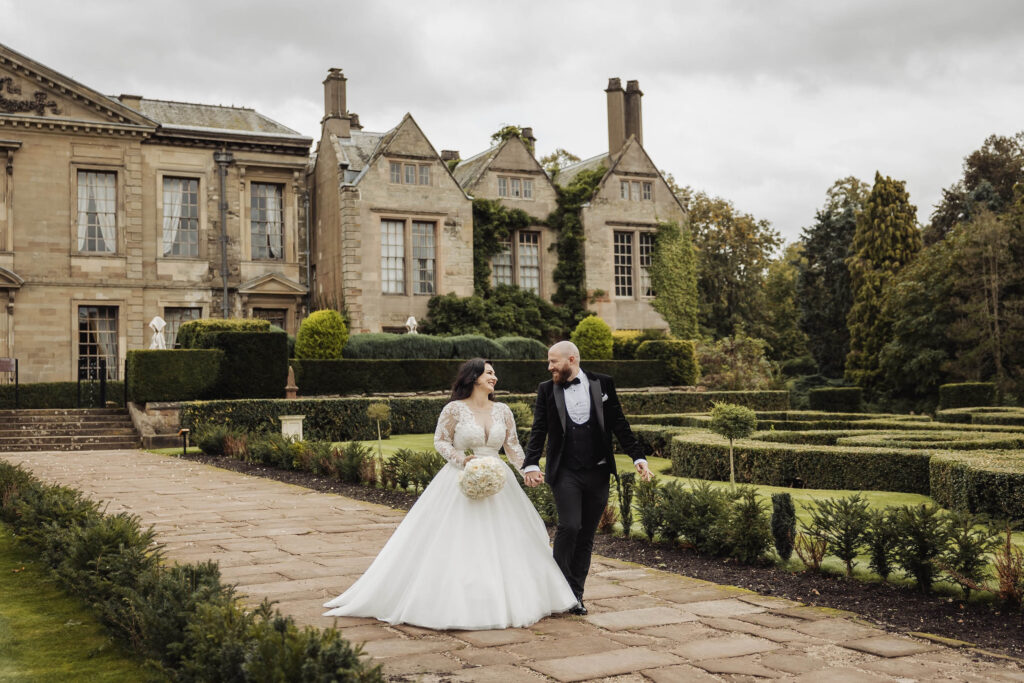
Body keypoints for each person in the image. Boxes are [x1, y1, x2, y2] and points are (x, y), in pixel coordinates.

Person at [323, 358, 577, 630]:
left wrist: (527, 469)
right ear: (474, 377)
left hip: (499, 483)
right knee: (456, 540)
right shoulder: (454, 409)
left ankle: (509, 598)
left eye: (494, 374)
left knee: (507, 541)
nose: (495, 378)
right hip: (460, 479)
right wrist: (461, 460)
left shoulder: (503, 410)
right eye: (489, 373)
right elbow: (440, 440)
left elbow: (512, 446)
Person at [523, 341, 651, 615]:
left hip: (598, 471)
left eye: (553, 362)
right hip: (565, 471)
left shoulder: (603, 383)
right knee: (570, 526)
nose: (550, 367)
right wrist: (531, 462)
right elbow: (539, 429)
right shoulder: (547, 389)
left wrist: (638, 457)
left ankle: (575, 596)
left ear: (571, 359)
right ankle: (555, 591)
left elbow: (619, 423)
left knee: (586, 536)